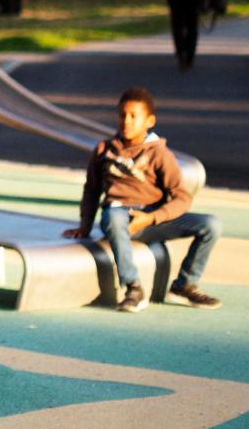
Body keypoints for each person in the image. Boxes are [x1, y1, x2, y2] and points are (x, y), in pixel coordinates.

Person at [64, 86, 221, 311]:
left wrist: (151, 218)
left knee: (211, 225)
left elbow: (181, 197)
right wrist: (85, 225)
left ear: (149, 121)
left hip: (152, 219)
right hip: (120, 216)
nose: (126, 121)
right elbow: (92, 190)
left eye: (133, 116)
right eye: (122, 115)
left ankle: (185, 285)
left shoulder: (159, 154)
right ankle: (133, 287)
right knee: (113, 215)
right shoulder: (104, 150)